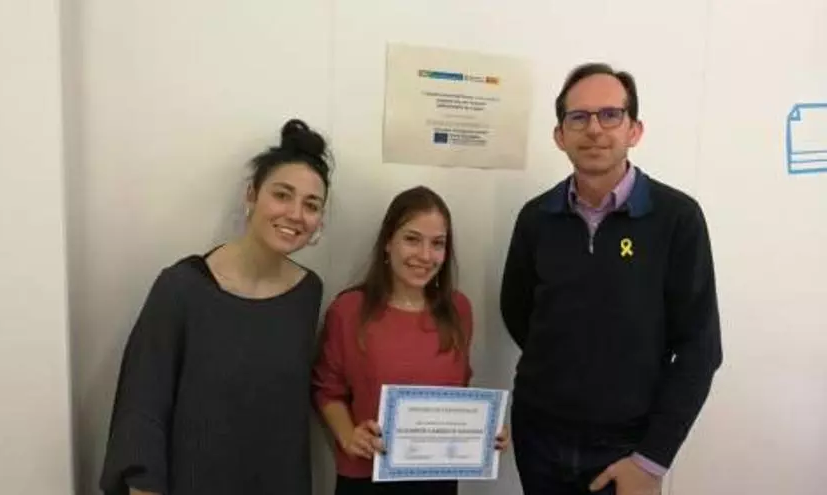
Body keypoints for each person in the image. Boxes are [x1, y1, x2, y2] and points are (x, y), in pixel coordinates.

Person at [500, 63, 723, 495]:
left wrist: (652, 460)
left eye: (610, 115)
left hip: (629, 444)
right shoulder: (536, 217)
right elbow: (519, 312)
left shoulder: (678, 219)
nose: (594, 129)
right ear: (559, 135)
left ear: (634, 130)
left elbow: (701, 349)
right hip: (539, 436)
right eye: (578, 117)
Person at [99, 119, 332, 495]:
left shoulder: (307, 294)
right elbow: (141, 407)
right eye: (282, 195)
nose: (295, 214)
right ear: (251, 195)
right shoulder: (182, 287)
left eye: (311, 205)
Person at [312, 186, 508, 495]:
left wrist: (484, 432)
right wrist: (349, 436)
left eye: (437, 243)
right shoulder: (349, 310)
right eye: (412, 239)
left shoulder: (458, 309)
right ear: (388, 242)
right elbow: (327, 389)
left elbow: (457, 394)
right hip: (366, 475)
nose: (425, 256)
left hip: (438, 477)